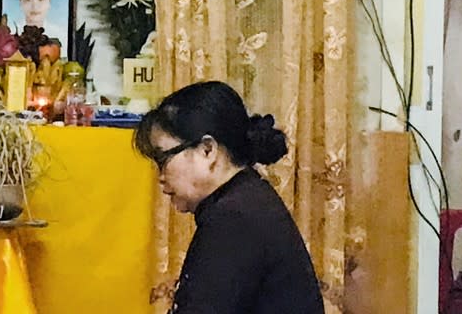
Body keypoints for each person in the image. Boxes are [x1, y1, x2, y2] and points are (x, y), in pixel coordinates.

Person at [134, 81, 325, 314]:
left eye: (163, 160)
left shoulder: (235, 218)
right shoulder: (245, 198)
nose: (161, 177)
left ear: (207, 150)